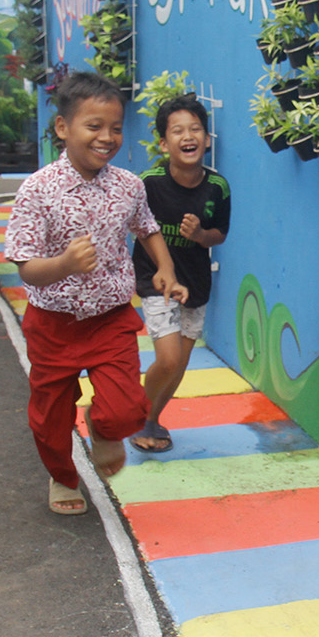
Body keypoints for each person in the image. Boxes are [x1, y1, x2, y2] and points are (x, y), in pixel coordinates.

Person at [4, 72, 187, 515]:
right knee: (49, 417)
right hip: (53, 324)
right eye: (94, 126)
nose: (107, 137)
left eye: (117, 127)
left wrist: (165, 268)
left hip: (110, 319)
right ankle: (63, 477)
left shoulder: (128, 186)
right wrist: (64, 265)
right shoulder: (38, 190)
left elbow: (146, 229)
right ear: (63, 128)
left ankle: (104, 430)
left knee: (126, 408)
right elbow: (26, 265)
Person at [130, 93, 230, 453]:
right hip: (155, 281)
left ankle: (152, 419)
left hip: (197, 284)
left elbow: (220, 233)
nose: (188, 137)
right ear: (163, 142)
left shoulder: (217, 187)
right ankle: (135, 413)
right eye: (177, 131)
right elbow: (136, 227)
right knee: (168, 358)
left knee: (180, 364)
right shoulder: (149, 183)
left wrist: (200, 235)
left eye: (195, 129)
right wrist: (160, 267)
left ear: (206, 139)